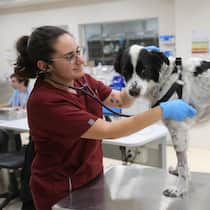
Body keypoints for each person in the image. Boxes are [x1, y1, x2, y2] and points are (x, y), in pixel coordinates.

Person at [14, 25, 197, 210]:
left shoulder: (80, 80)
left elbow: (120, 100)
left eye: (78, 51)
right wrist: (163, 110)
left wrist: (138, 76)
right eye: (70, 57)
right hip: (61, 189)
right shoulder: (45, 102)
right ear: (44, 66)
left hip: (91, 176)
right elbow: (110, 130)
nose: (81, 60)